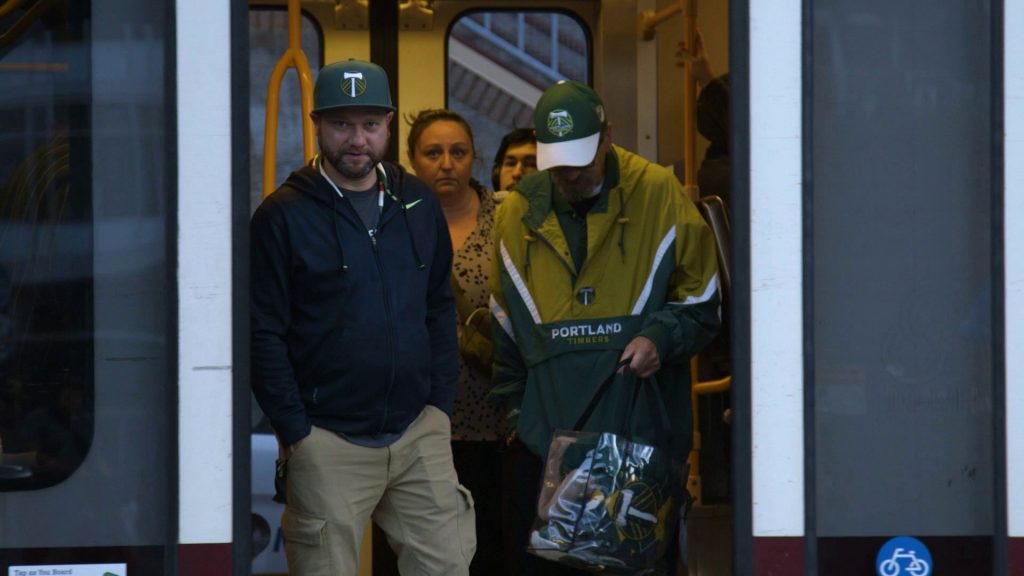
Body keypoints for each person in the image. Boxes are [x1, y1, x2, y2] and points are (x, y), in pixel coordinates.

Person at [250, 59, 475, 576]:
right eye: (341, 124)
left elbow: (438, 305)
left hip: (418, 431)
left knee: (447, 567)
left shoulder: (416, 201)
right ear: (316, 125)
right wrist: (296, 432)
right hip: (327, 439)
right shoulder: (282, 216)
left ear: (389, 125)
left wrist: (440, 406)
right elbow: (263, 334)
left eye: (370, 125)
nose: (357, 139)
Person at [489, 80, 721, 575]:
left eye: (582, 156)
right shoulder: (515, 212)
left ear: (608, 136)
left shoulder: (658, 192)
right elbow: (504, 332)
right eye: (558, 162)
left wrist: (661, 336)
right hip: (545, 454)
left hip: (638, 450)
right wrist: (515, 418)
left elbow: (704, 304)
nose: (570, 173)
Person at [404, 108, 508, 576]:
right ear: (412, 160)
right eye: (433, 152)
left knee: (493, 546)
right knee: (425, 550)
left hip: (500, 416)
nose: (447, 163)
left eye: (458, 152)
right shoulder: (392, 223)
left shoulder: (508, 218)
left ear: (474, 158)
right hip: (417, 417)